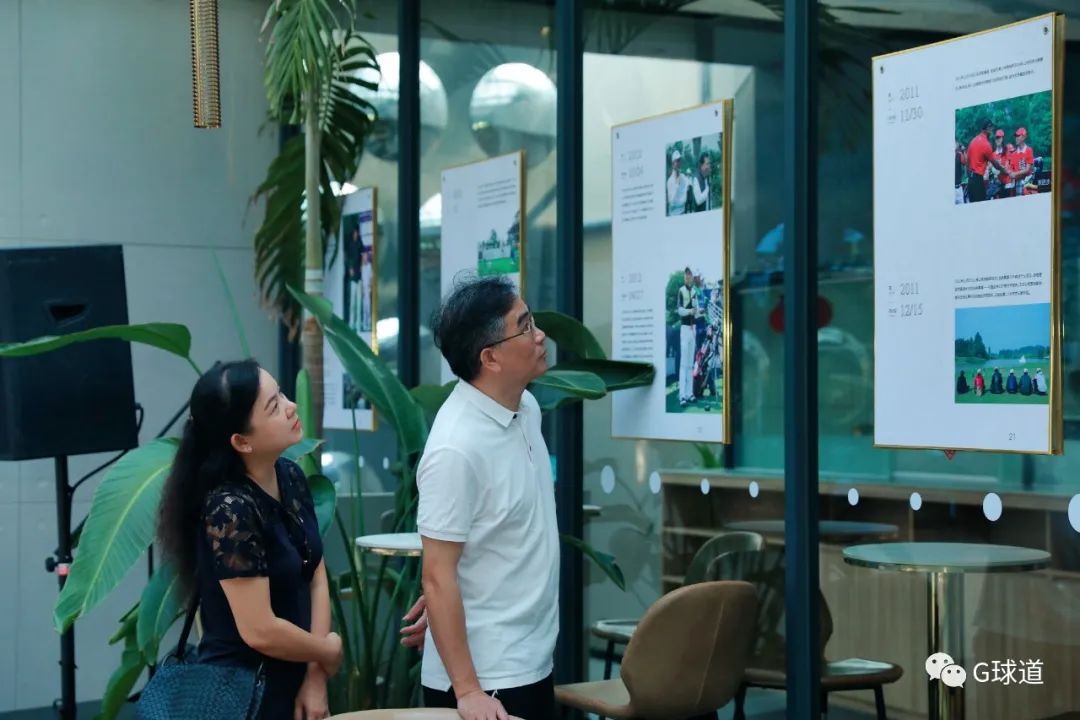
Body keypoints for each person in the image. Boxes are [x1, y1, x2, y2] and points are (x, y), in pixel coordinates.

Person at [156, 360, 341, 720]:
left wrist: (315, 675)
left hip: (300, 677)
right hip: (242, 694)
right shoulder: (229, 509)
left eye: (281, 394)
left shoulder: (290, 476)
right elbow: (259, 630)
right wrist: (326, 651)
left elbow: (316, 576)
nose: (291, 406)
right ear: (241, 441)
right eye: (274, 406)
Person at [417, 275, 559, 720]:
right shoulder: (455, 448)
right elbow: (437, 576)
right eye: (525, 326)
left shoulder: (525, 408)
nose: (539, 335)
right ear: (490, 357)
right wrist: (469, 691)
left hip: (530, 659)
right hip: (486, 683)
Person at [966, 119, 1013, 202]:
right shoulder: (986, 144)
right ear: (988, 128)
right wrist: (1005, 171)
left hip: (970, 181)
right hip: (978, 180)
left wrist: (970, 177)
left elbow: (967, 163)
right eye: (991, 128)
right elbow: (995, 164)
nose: (992, 131)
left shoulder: (973, 141)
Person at [676, 267, 699, 407]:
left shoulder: (695, 292)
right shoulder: (681, 290)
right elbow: (679, 310)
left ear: (691, 277)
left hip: (693, 329)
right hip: (684, 329)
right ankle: (682, 395)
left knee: (690, 363)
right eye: (686, 276)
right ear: (684, 277)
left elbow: (696, 312)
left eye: (689, 275)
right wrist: (690, 311)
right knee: (684, 363)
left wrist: (699, 311)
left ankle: (690, 393)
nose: (688, 277)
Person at [666, 149, 690, 216]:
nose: (679, 163)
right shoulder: (670, 181)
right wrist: (677, 185)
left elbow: (689, 183)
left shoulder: (683, 177)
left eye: (679, 160)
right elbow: (672, 202)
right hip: (674, 215)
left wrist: (688, 186)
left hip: (683, 212)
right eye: (677, 161)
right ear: (673, 164)